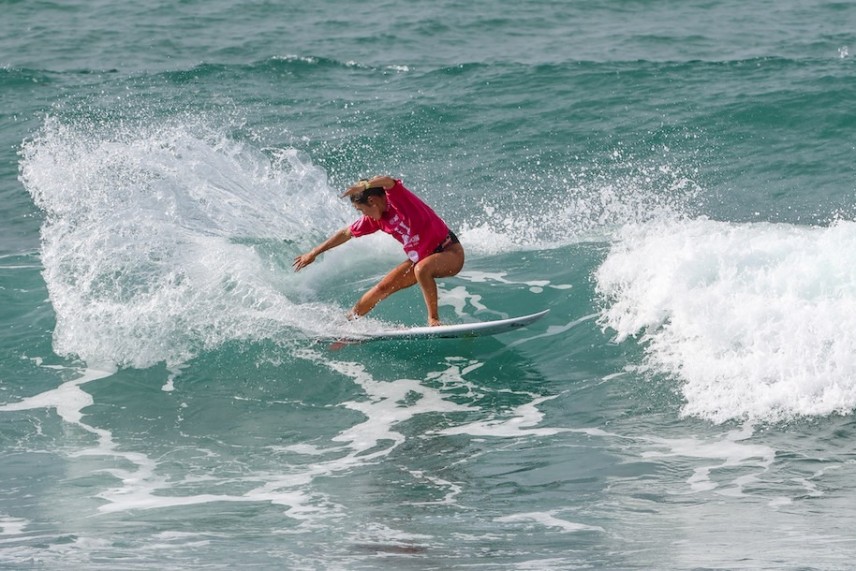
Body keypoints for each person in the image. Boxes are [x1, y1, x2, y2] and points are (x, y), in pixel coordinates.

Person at [293, 176, 464, 326]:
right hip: (422, 258)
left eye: (361, 209)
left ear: (373, 201)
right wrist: (314, 252)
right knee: (382, 287)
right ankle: (347, 323)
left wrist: (365, 185)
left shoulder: (398, 202)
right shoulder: (375, 220)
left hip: (449, 251)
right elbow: (346, 233)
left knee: (422, 269)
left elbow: (389, 182)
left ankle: (433, 320)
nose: (362, 214)